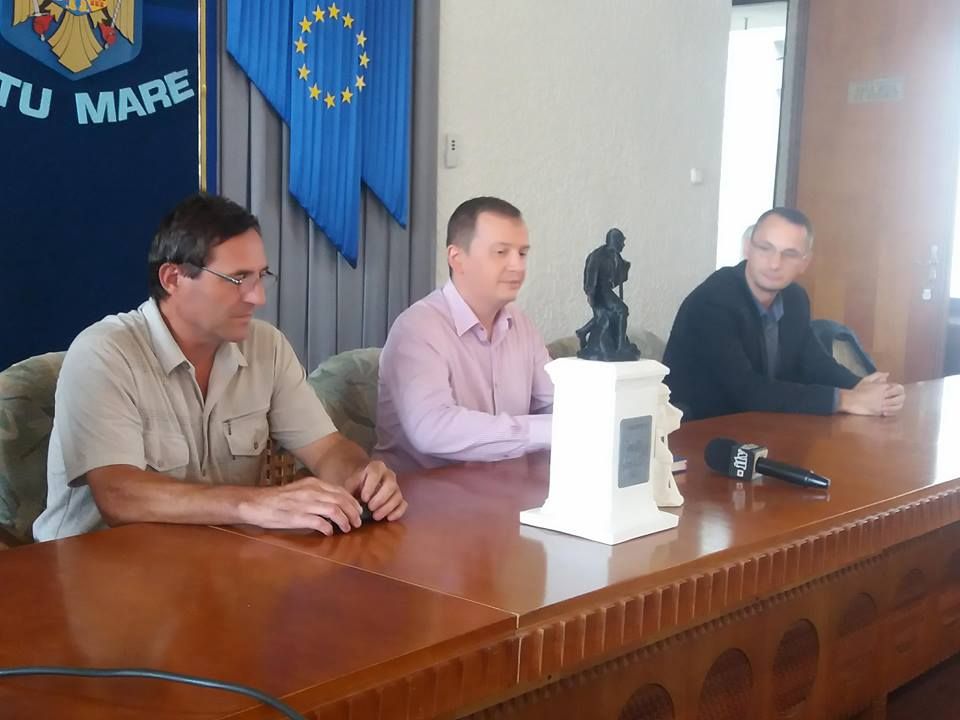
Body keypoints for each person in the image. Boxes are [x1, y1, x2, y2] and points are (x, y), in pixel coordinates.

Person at [34, 194, 406, 542]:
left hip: (211, 561)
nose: (258, 297)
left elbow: (327, 449)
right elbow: (119, 495)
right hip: (91, 566)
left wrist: (360, 477)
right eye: (238, 279)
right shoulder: (104, 352)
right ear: (173, 279)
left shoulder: (267, 347)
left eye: (261, 276)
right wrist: (253, 504)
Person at [663, 207, 905, 421]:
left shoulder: (794, 298)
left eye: (789, 254)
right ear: (747, 249)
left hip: (764, 426)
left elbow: (814, 362)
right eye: (765, 248)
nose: (774, 263)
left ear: (804, 263)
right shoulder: (713, 301)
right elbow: (747, 391)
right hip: (698, 433)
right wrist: (847, 400)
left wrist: (862, 386)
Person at [375, 196, 554, 472]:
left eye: (522, 253)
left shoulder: (522, 325)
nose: (517, 266)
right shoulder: (417, 327)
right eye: (501, 252)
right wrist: (546, 430)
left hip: (503, 488)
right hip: (420, 493)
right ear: (457, 259)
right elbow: (432, 429)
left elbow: (556, 403)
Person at [575, 227, 641, 360]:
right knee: (622, 310)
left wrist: (624, 269)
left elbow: (618, 274)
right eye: (622, 241)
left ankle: (583, 331)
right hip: (599, 291)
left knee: (608, 314)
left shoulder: (616, 256)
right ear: (615, 241)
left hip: (607, 290)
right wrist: (591, 295)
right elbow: (591, 274)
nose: (623, 245)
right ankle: (621, 346)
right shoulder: (598, 255)